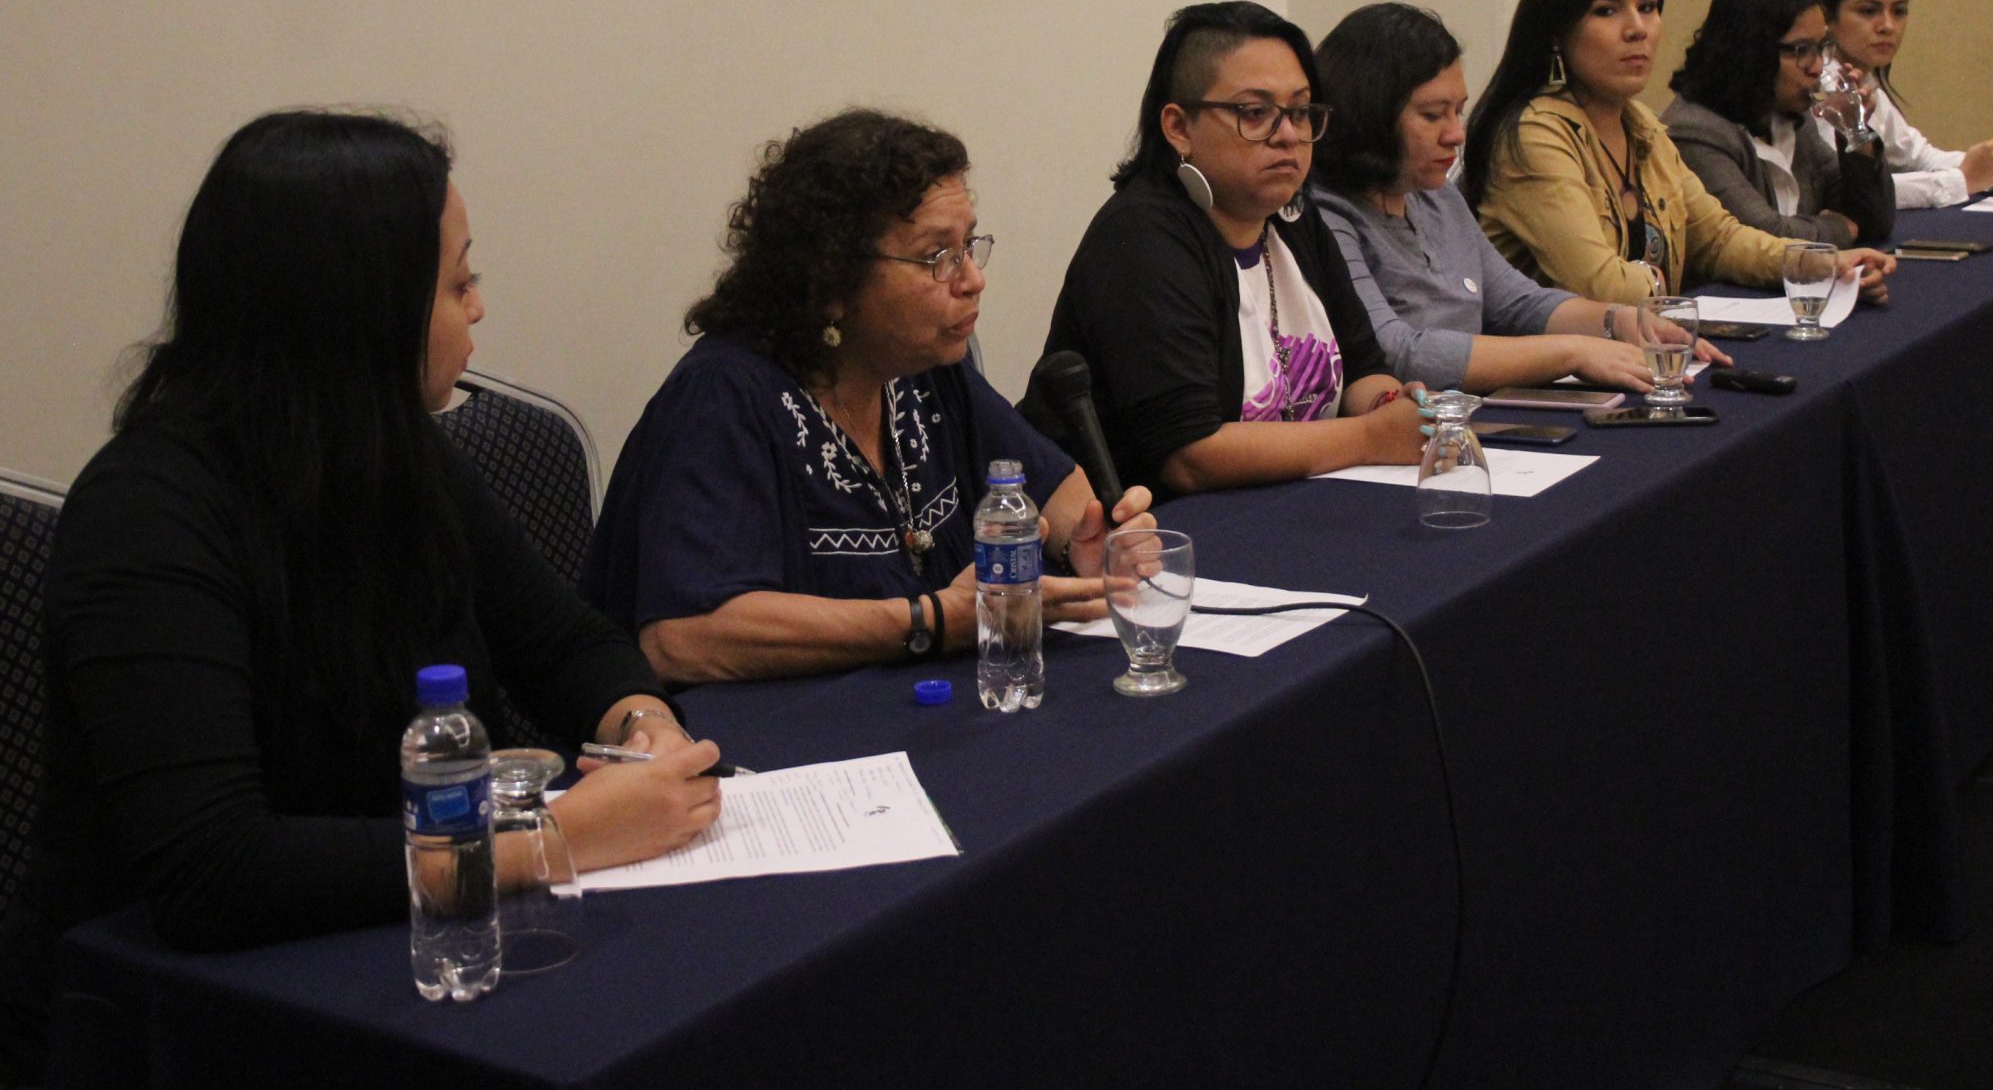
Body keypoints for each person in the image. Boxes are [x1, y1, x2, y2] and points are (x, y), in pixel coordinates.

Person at [0, 112, 721, 1083]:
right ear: (358, 310)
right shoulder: (147, 513)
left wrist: (641, 728)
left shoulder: (395, 452)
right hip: (176, 1024)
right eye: (457, 283)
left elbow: (563, 644)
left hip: (392, 950)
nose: (479, 310)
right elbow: (216, 872)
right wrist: (558, 837)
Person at [582, 108, 1152, 684]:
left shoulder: (922, 368)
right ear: (831, 281)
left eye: (968, 246)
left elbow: (1057, 495)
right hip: (766, 730)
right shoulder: (723, 399)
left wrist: (1091, 545)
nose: (972, 279)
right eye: (937, 257)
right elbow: (684, 638)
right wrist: (929, 620)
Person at [1022, 1, 1423, 500]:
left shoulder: (1294, 217)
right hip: (1159, 529)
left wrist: (1393, 406)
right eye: (1255, 113)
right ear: (1179, 128)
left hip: (1295, 506)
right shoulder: (1141, 238)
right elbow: (1191, 456)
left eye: (1300, 112)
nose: (1288, 136)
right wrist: (1372, 437)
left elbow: (1363, 368)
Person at [1310, 2, 1730, 392]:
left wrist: (1619, 321)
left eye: (1458, 111)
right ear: (1371, 115)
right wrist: (1572, 352)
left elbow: (1517, 302)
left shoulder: (1436, 198)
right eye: (1433, 115)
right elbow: (1397, 352)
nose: (1456, 134)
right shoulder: (1327, 214)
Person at [1463, 0, 1895, 303]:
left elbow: (1720, 240)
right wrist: (1673, 291)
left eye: (1648, 7)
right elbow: (1602, 288)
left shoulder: (1640, 124)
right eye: (1607, 10)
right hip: (1552, 366)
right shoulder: (1534, 134)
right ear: (1557, 33)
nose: (1637, 28)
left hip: (1638, 351)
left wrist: (1824, 264)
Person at [1663, 0, 1896, 246]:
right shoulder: (1695, 132)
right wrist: (1839, 229)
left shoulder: (1792, 119)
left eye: (1821, 48)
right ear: (1751, 52)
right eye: (1802, 50)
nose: (1817, 67)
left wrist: (1854, 131)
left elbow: (1874, 222)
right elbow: (1761, 235)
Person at [1814, 0, 1993, 206]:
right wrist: (1964, 180)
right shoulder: (1820, 84)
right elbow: (1846, 189)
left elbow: (1917, 157)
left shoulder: (1862, 80)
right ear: (1826, 16)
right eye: (1868, 11)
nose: (1888, 26)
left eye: (1899, 11)